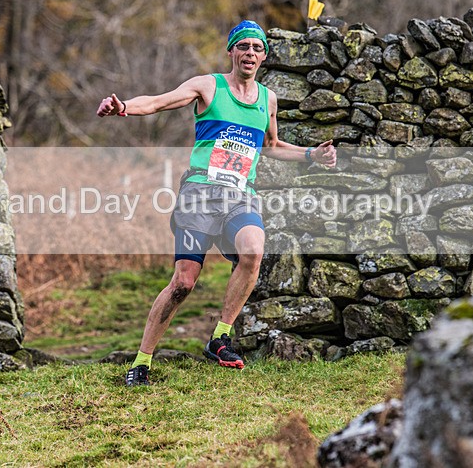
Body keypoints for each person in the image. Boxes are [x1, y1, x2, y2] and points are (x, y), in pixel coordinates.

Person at [96, 20, 337, 386]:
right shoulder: (209, 86)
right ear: (232, 52)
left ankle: (220, 337)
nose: (250, 54)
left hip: (241, 196)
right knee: (183, 283)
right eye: (244, 47)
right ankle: (141, 362)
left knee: (254, 250)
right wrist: (124, 107)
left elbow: (271, 146)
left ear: (264, 56)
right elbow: (159, 102)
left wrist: (310, 155)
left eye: (257, 48)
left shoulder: (267, 100)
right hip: (199, 195)